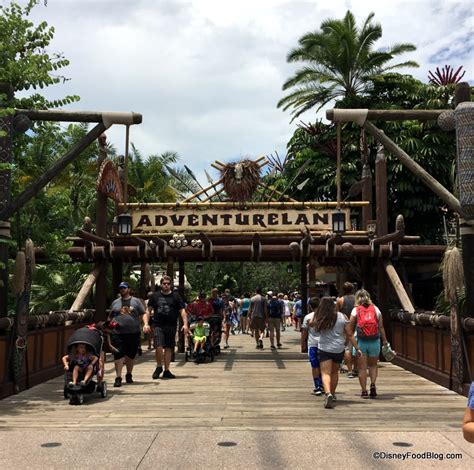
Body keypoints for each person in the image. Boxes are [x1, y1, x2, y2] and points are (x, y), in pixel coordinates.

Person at [311, 296, 360, 409]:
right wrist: (357, 348)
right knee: (334, 373)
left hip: (324, 347)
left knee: (325, 373)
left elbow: (312, 324)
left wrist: (318, 312)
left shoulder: (320, 316)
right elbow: (349, 333)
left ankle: (327, 393)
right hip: (338, 348)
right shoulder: (342, 316)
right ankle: (332, 394)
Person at [144, 275, 189, 379]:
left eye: (168, 284)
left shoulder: (176, 296)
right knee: (159, 346)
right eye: (164, 283)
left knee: (169, 348)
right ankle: (159, 366)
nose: (166, 285)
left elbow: (182, 311)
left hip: (171, 325)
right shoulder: (155, 296)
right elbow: (148, 310)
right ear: (161, 284)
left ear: (171, 285)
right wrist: (146, 323)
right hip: (158, 325)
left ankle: (167, 370)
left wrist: (185, 324)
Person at [349, 289, 388, 399]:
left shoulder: (355, 310)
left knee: (362, 368)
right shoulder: (376, 309)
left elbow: (350, 329)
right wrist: (385, 340)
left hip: (361, 342)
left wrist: (350, 342)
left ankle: (364, 391)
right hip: (375, 341)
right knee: (373, 365)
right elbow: (380, 327)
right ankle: (373, 384)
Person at [109, 282, 145, 387]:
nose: (122, 290)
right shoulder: (115, 302)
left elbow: (143, 314)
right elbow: (111, 316)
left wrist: (145, 324)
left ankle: (129, 374)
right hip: (117, 332)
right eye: (121, 288)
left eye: (124, 288)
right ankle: (118, 377)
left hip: (133, 332)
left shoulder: (136, 302)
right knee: (118, 354)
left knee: (130, 355)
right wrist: (108, 327)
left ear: (129, 289)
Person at [301, 297, 323, 395]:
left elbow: (304, 333)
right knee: (323, 365)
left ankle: (317, 386)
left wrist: (303, 344)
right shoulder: (325, 316)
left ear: (310, 306)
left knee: (315, 366)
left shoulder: (308, 317)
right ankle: (323, 384)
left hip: (313, 344)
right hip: (324, 344)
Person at [336, 282, 357, 378]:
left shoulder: (340, 300)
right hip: (357, 326)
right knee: (356, 347)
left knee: (347, 349)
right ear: (352, 289)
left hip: (345, 326)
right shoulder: (357, 300)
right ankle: (356, 368)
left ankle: (349, 370)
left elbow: (337, 314)